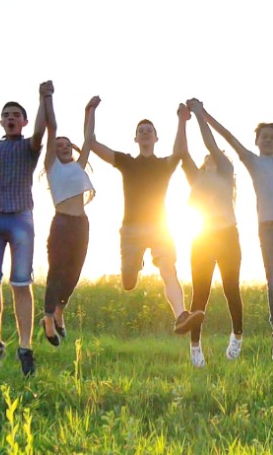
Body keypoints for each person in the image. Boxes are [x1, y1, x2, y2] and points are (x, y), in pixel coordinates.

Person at [187, 96, 273, 360]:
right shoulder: (250, 160)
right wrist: (202, 114)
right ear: (257, 141)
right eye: (265, 137)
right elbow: (225, 135)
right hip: (268, 228)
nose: (269, 140)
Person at [82, 99, 201, 362]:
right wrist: (89, 113)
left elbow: (180, 151)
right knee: (128, 283)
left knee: (169, 270)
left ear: (156, 138)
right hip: (132, 230)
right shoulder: (127, 162)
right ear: (135, 139)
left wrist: (182, 120)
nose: (145, 133)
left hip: (160, 227)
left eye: (150, 130)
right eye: (141, 131)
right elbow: (91, 143)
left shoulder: (163, 164)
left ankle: (181, 316)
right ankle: (135, 264)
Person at [0, 81, 52, 376]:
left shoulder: (29, 147)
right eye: (7, 115)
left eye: (16, 115)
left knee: (21, 283)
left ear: (24, 122)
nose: (11, 118)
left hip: (20, 217)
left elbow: (42, 130)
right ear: (1, 121)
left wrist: (44, 98)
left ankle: (25, 347)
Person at [184, 101, 248, 366]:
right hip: (202, 239)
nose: (212, 155)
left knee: (231, 289)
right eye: (208, 156)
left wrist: (200, 115)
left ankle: (238, 335)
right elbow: (183, 153)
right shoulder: (196, 179)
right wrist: (181, 121)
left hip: (227, 237)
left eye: (217, 155)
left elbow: (211, 144)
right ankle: (195, 346)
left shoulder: (226, 173)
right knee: (200, 294)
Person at [40, 97, 98, 347]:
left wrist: (89, 111)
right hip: (62, 224)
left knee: (74, 272)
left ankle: (60, 309)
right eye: (58, 145)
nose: (63, 147)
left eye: (66, 145)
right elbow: (50, 128)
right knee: (57, 272)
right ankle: (48, 318)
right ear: (52, 150)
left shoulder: (79, 166)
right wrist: (46, 100)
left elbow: (88, 139)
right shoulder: (51, 166)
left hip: (81, 225)